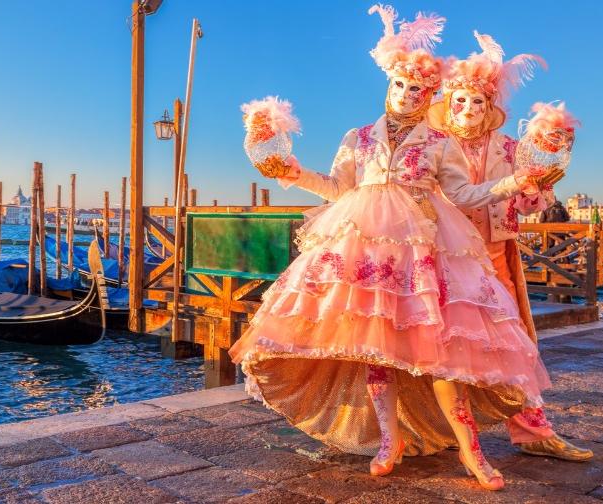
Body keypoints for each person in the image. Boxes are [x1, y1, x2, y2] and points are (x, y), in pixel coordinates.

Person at [229, 6, 563, 491]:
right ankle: (390, 440)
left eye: (419, 90)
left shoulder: (439, 142)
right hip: (367, 251)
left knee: (442, 350)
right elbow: (339, 188)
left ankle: (471, 451)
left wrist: (514, 181)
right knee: (376, 350)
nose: (408, 95)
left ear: (430, 95)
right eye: (401, 86)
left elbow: (463, 195)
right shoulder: (358, 137)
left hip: (426, 251)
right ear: (389, 86)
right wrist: (290, 173)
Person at [428, 35, 592, 461]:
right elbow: (454, 195)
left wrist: (537, 191)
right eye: (460, 100)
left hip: (496, 251)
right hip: (442, 255)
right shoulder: (432, 146)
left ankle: (534, 432)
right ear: (449, 101)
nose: (467, 109)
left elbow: (530, 200)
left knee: (512, 341)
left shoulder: (509, 148)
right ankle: (437, 428)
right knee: (438, 344)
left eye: (477, 102)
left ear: (489, 106)